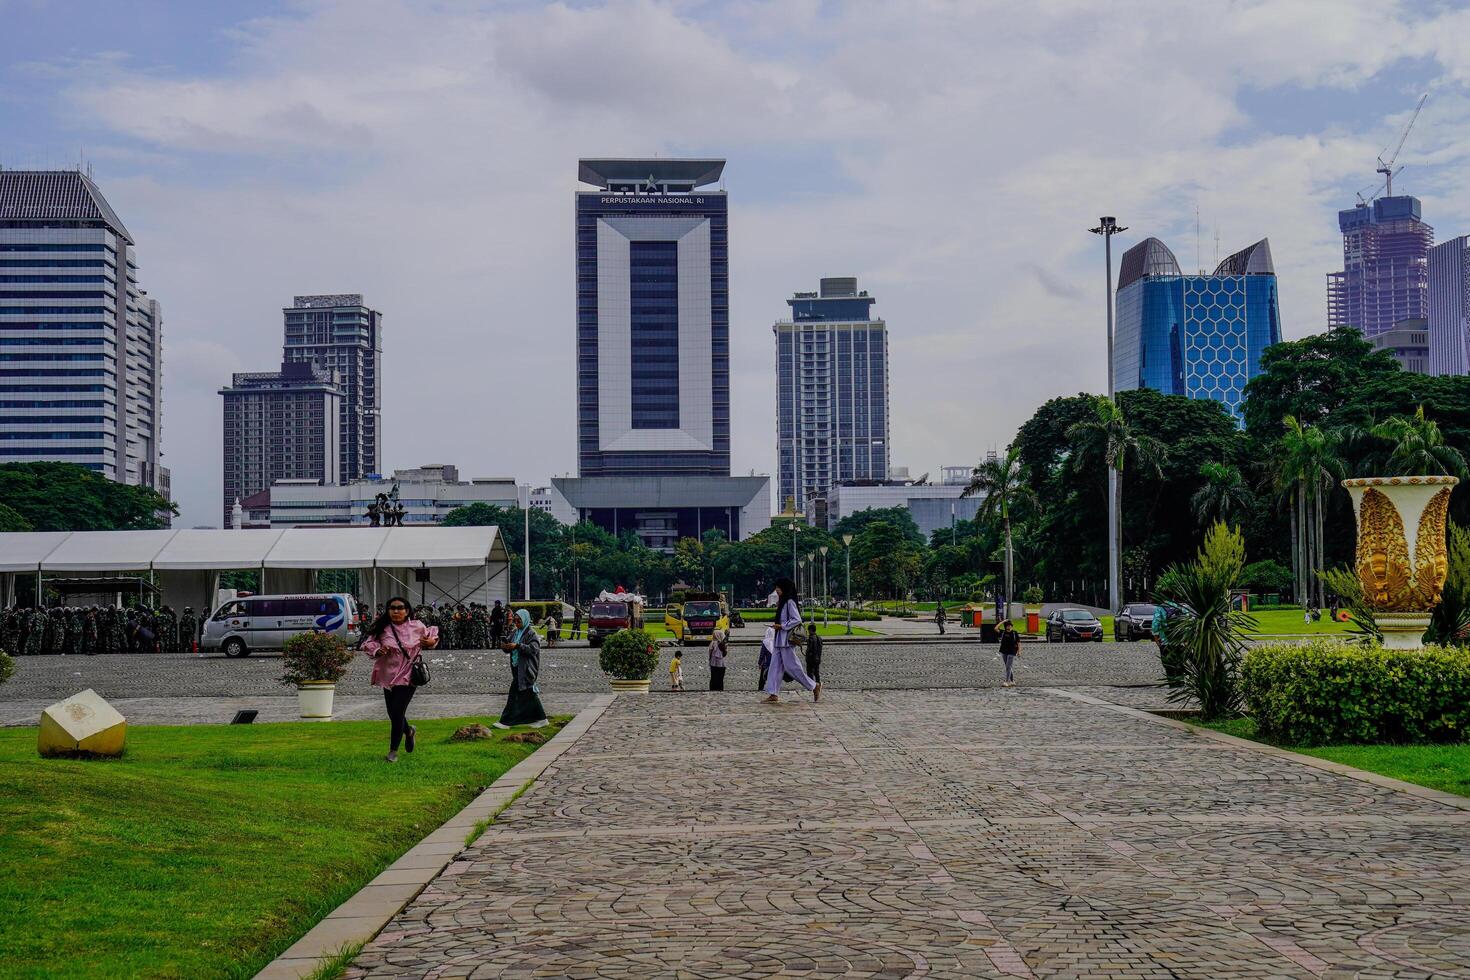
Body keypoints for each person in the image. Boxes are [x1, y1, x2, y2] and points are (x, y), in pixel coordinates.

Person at [360, 596, 439, 762]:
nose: (396, 611)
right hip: (388, 675)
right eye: (392, 608)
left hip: (409, 675)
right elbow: (368, 643)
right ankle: (409, 730)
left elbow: (432, 638)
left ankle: (393, 751)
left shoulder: (417, 626)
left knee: (397, 711)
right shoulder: (383, 628)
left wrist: (430, 641)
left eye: (400, 607)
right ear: (388, 611)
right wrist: (378, 651)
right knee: (392, 712)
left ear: (407, 610)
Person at [762, 577, 821, 703]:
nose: (776, 590)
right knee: (774, 667)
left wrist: (782, 626)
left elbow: (797, 619)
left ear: (785, 588)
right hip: (779, 640)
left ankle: (814, 686)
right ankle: (773, 693)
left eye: (778, 588)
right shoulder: (783, 602)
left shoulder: (789, 602)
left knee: (792, 667)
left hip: (786, 640)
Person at [496, 609, 548, 728]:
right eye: (515, 620)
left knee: (514, 695)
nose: (517, 623)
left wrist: (518, 646)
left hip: (526, 669)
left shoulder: (531, 633)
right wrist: (505, 646)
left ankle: (505, 722)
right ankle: (541, 718)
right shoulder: (515, 632)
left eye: (519, 620)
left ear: (524, 620)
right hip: (517, 667)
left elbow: (533, 649)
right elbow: (509, 646)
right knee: (529, 694)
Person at [998, 619, 1020, 687]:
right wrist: (1003, 621)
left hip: (1012, 651)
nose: (1009, 627)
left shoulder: (1014, 633)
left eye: (1010, 626)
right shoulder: (1003, 632)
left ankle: (1007, 681)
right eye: (1008, 626)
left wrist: (1019, 651)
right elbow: (995, 628)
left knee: (1008, 667)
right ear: (1005, 627)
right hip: (1004, 651)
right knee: (1008, 667)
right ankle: (1013, 681)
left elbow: (1018, 643)